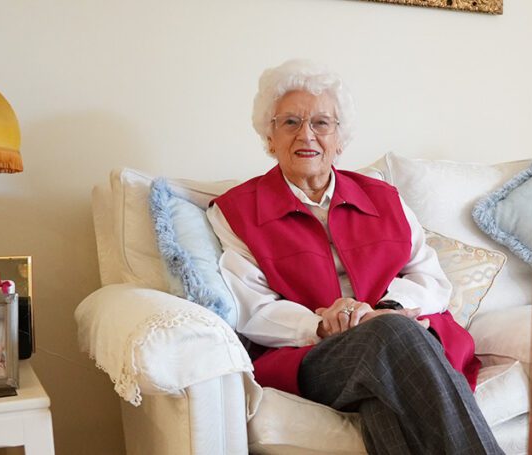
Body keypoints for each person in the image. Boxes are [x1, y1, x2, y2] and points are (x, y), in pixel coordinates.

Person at [205, 59, 501, 454]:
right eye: (290, 122)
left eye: (321, 123)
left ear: (340, 139)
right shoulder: (237, 211)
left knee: (383, 396)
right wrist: (323, 326)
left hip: (400, 339)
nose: (306, 134)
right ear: (269, 137)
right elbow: (252, 309)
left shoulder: (383, 196)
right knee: (390, 337)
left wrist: (387, 309)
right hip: (316, 355)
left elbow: (430, 278)